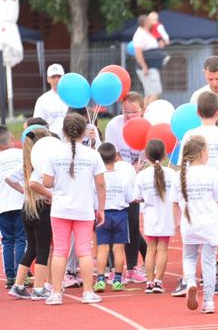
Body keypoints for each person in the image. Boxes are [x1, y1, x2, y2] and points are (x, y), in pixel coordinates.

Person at [177, 91, 218, 295]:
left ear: (197, 112)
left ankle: (191, 279)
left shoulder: (189, 135)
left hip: (193, 185)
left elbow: (182, 164)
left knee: (195, 234)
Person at [42, 113, 106, 305]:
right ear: (84, 132)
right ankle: (87, 292)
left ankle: (55, 293)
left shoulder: (53, 154)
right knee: (84, 251)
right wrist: (101, 208)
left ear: (63, 131)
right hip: (84, 209)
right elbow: (101, 184)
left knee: (60, 250)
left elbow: (47, 182)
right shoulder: (93, 154)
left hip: (60, 209)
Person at [171, 135, 218, 314]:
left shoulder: (179, 175)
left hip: (190, 222)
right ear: (203, 153)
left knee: (189, 257)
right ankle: (209, 301)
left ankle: (190, 282)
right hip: (210, 222)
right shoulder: (212, 173)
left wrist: (176, 225)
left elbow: (174, 203)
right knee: (209, 261)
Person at [104, 92, 147, 283]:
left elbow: (152, 150)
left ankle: (132, 267)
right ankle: (115, 267)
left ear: (142, 111)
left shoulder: (147, 126)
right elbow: (111, 152)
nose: (129, 116)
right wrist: (129, 168)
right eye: (125, 112)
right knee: (116, 223)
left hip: (137, 180)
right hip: (119, 178)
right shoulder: (114, 125)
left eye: (133, 112)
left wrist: (141, 167)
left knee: (132, 223)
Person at [6, 128, 53, 300]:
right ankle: (39, 288)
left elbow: (9, 178)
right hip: (41, 208)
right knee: (42, 250)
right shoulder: (42, 164)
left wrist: (24, 192)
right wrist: (49, 195)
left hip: (27, 207)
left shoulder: (26, 163)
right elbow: (35, 184)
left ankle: (18, 285)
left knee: (32, 248)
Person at [134, 139, 177, 294]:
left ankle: (150, 282)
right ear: (165, 155)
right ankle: (158, 281)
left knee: (151, 248)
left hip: (151, 216)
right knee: (163, 248)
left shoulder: (142, 175)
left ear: (146, 155)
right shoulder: (172, 174)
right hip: (167, 216)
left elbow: (137, 197)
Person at [93, 143, 135, 293]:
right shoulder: (123, 177)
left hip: (102, 214)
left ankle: (100, 280)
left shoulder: (96, 177)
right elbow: (131, 198)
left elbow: (93, 198)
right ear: (116, 157)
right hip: (120, 215)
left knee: (102, 249)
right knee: (118, 249)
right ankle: (117, 280)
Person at [0, 124, 25, 289]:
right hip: (21, 201)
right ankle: (22, 274)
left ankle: (10, 276)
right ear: (13, 140)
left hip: (3, 205)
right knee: (22, 239)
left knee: (7, 241)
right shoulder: (22, 154)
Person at [132, 15, 162, 105]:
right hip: (148, 68)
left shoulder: (147, 33)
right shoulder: (140, 34)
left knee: (150, 94)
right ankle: (146, 113)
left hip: (152, 67)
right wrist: (144, 66)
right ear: (145, 22)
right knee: (155, 93)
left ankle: (144, 114)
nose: (151, 22)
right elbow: (138, 52)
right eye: (149, 20)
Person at [33, 63, 67, 138]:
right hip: (52, 141)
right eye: (53, 77)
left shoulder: (71, 97)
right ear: (48, 79)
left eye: (59, 76)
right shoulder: (42, 100)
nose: (57, 79)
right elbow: (37, 124)